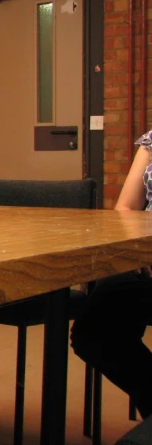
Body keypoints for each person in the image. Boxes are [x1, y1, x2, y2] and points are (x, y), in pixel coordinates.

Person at [71, 131, 152, 418]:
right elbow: (127, 208)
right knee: (93, 333)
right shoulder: (151, 141)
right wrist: (136, 250)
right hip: (146, 258)